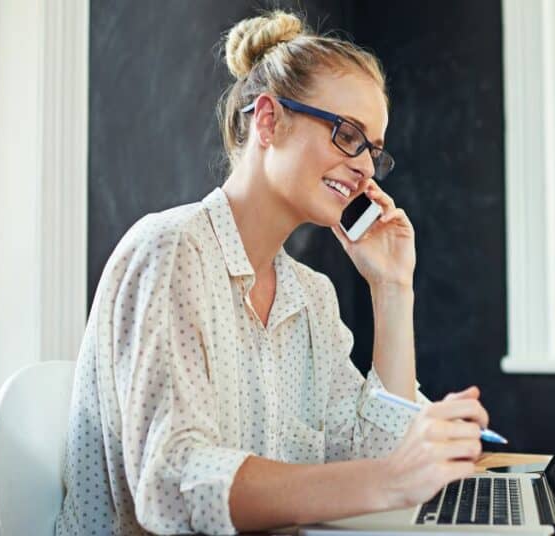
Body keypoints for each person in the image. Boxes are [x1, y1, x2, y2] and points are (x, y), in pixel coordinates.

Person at [56, 10, 489, 535]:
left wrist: (392, 288)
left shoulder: (311, 297)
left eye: (373, 150)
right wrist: (387, 480)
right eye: (348, 135)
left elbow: (375, 458)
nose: (366, 168)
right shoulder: (171, 252)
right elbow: (171, 481)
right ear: (268, 120)